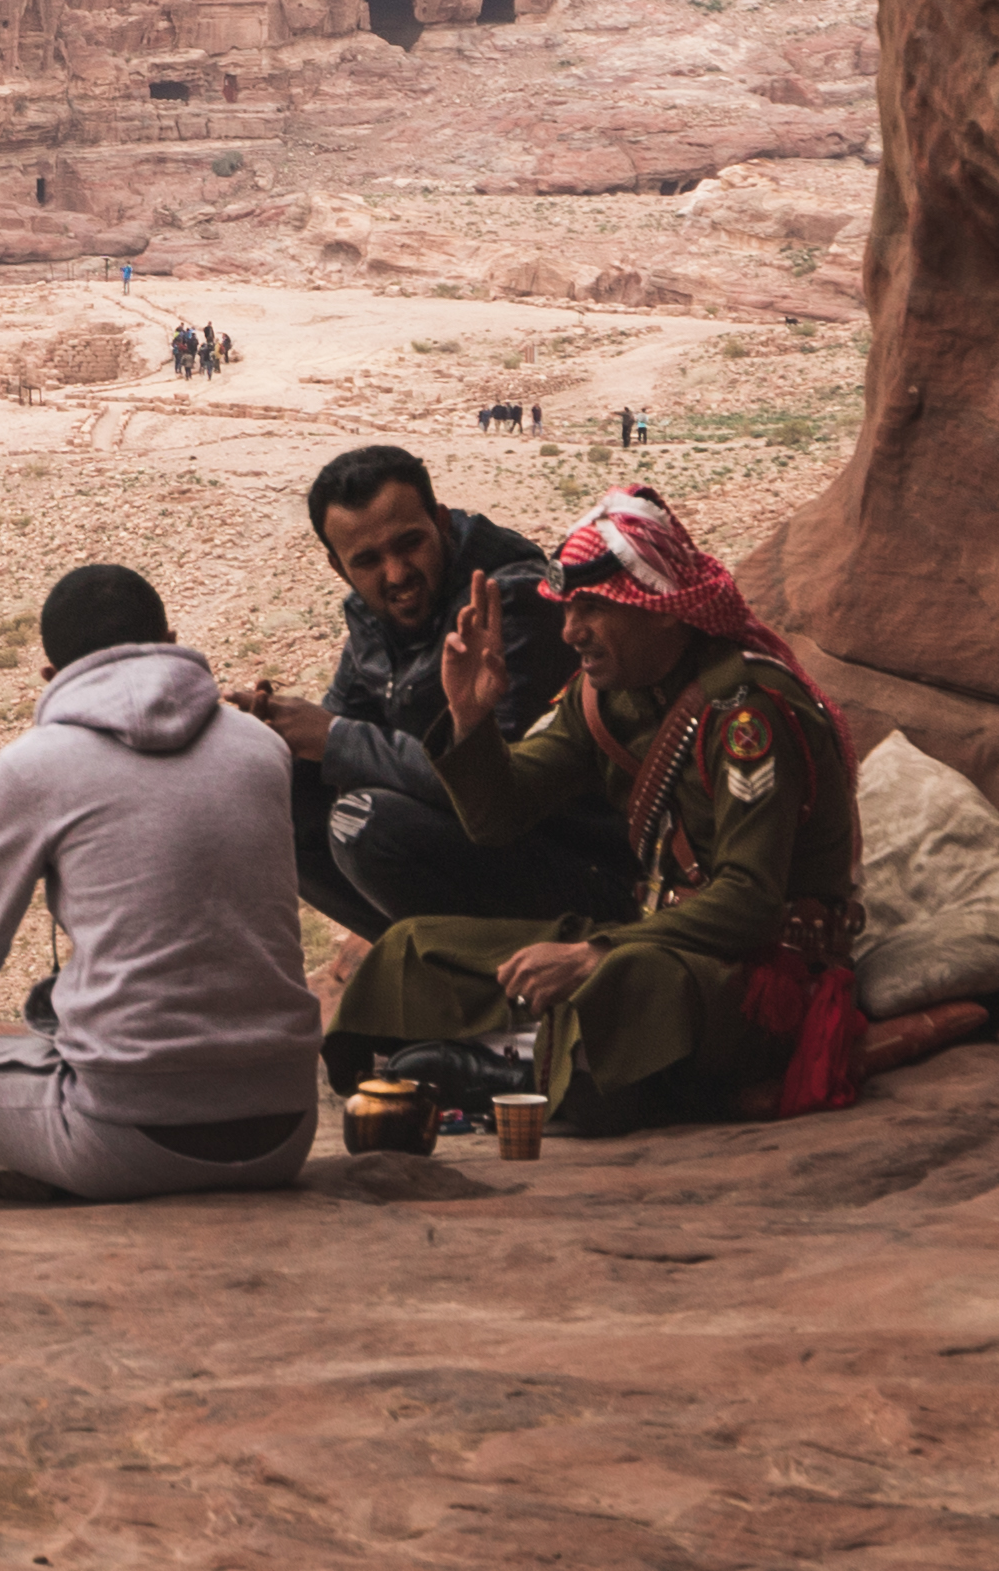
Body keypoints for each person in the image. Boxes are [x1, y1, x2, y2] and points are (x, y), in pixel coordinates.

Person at [324, 485, 964, 1132]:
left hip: (755, 969)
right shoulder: (602, 698)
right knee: (416, 949)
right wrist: (472, 722)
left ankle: (507, 1074)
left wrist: (595, 953)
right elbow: (498, 818)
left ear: (661, 609)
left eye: (594, 609)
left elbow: (749, 902)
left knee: (628, 981)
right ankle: (516, 1064)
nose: (570, 632)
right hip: (651, 936)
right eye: (569, 609)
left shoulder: (747, 713)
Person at [0, 565, 319, 1201]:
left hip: (124, 1140)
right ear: (170, 639)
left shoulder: (34, 765)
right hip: (285, 1136)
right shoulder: (260, 746)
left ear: (52, 678)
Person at [245, 447, 638, 937]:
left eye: (409, 543)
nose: (396, 574)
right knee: (272, 795)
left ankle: (495, 970)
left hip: (582, 868)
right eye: (367, 560)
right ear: (338, 566)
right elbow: (335, 739)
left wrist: (336, 738)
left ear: (441, 523)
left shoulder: (507, 603)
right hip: (479, 852)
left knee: (368, 825)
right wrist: (264, 736)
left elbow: (506, 790)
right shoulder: (373, 620)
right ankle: (435, 961)